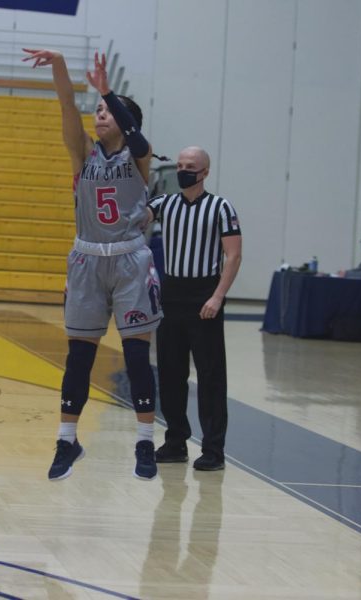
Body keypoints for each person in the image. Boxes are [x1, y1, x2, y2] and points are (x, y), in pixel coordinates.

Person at [22, 48, 161, 481]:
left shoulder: (139, 155)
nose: (99, 115)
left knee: (137, 357)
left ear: (123, 118)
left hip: (129, 261)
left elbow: (138, 139)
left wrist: (108, 90)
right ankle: (67, 440)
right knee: (78, 357)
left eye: (106, 111)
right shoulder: (83, 152)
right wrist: (61, 66)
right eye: (98, 110)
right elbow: (67, 106)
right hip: (86, 259)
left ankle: (144, 443)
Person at [149, 146, 242, 471]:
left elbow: (233, 255)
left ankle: (213, 450)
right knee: (171, 375)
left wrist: (217, 297)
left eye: (191, 166)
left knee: (211, 376)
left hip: (204, 295)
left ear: (204, 172)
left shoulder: (220, 207)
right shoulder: (164, 203)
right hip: (171, 295)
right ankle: (175, 442)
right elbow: (134, 218)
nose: (183, 170)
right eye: (181, 164)